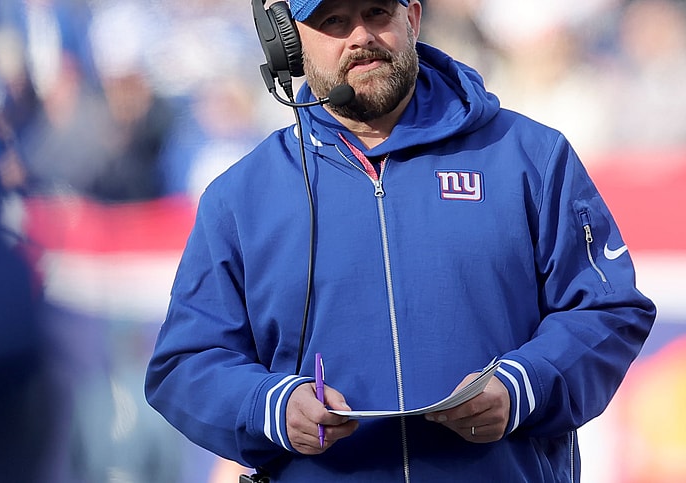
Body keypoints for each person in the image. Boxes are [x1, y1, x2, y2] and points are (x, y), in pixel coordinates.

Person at [145, 0, 656, 481]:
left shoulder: (530, 156)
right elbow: (184, 364)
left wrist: (524, 386)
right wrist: (269, 407)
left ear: (411, 16)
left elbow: (610, 311)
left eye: (375, 12)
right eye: (334, 21)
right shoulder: (239, 198)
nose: (361, 36)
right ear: (291, 44)